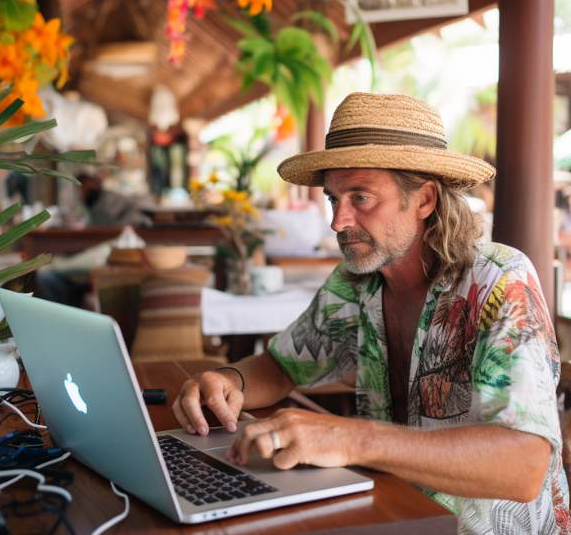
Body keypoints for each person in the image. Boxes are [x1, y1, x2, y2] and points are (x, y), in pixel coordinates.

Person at [172, 93, 570, 534]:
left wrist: (349, 438)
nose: (338, 222)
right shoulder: (356, 282)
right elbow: (283, 365)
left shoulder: (498, 281)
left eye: (361, 197)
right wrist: (230, 381)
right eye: (333, 199)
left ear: (424, 201)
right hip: (390, 514)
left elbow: (525, 465)